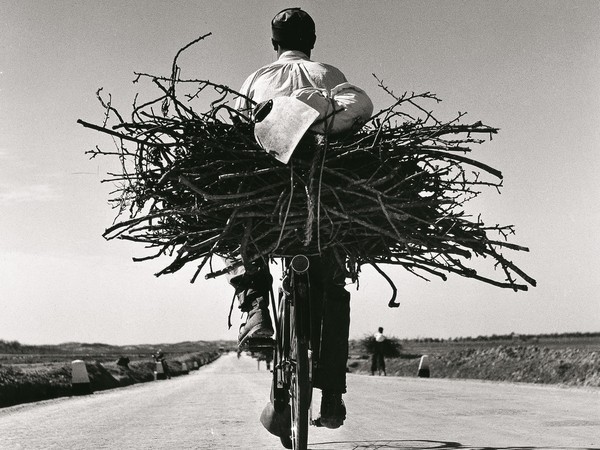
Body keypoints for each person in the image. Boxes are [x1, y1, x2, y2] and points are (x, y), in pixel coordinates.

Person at [227, 7, 373, 435]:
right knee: (333, 288)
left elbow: (239, 130)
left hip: (267, 197)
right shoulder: (329, 74)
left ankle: (255, 307)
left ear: (274, 44)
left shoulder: (256, 78)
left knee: (241, 227)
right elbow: (354, 116)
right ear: (312, 41)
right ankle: (331, 395)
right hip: (326, 196)